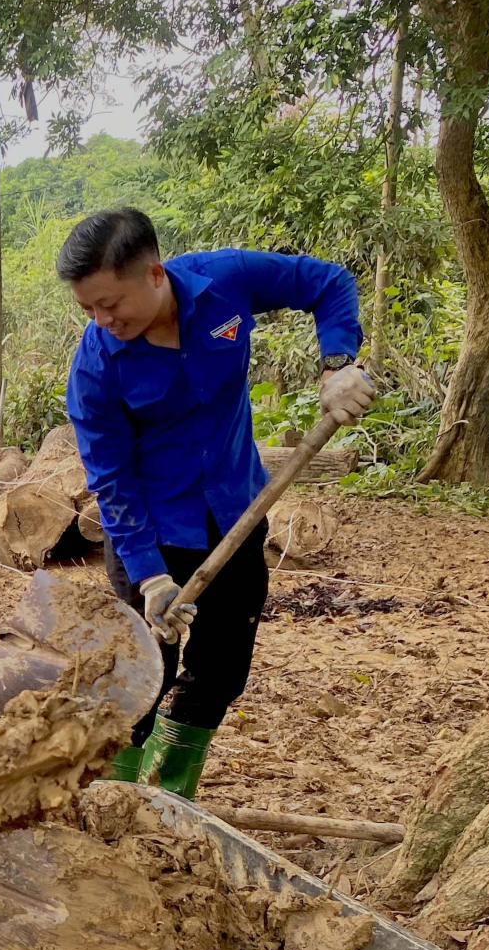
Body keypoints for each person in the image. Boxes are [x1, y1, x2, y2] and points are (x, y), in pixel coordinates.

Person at [58, 207, 371, 798]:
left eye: (110, 304)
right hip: (148, 536)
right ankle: (116, 800)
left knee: (223, 668)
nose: (102, 320)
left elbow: (328, 282)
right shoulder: (96, 368)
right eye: (88, 309)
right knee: (138, 679)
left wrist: (337, 364)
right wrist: (151, 580)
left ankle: (170, 794)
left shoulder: (224, 279)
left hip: (236, 513)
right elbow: (111, 478)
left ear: (154, 275)